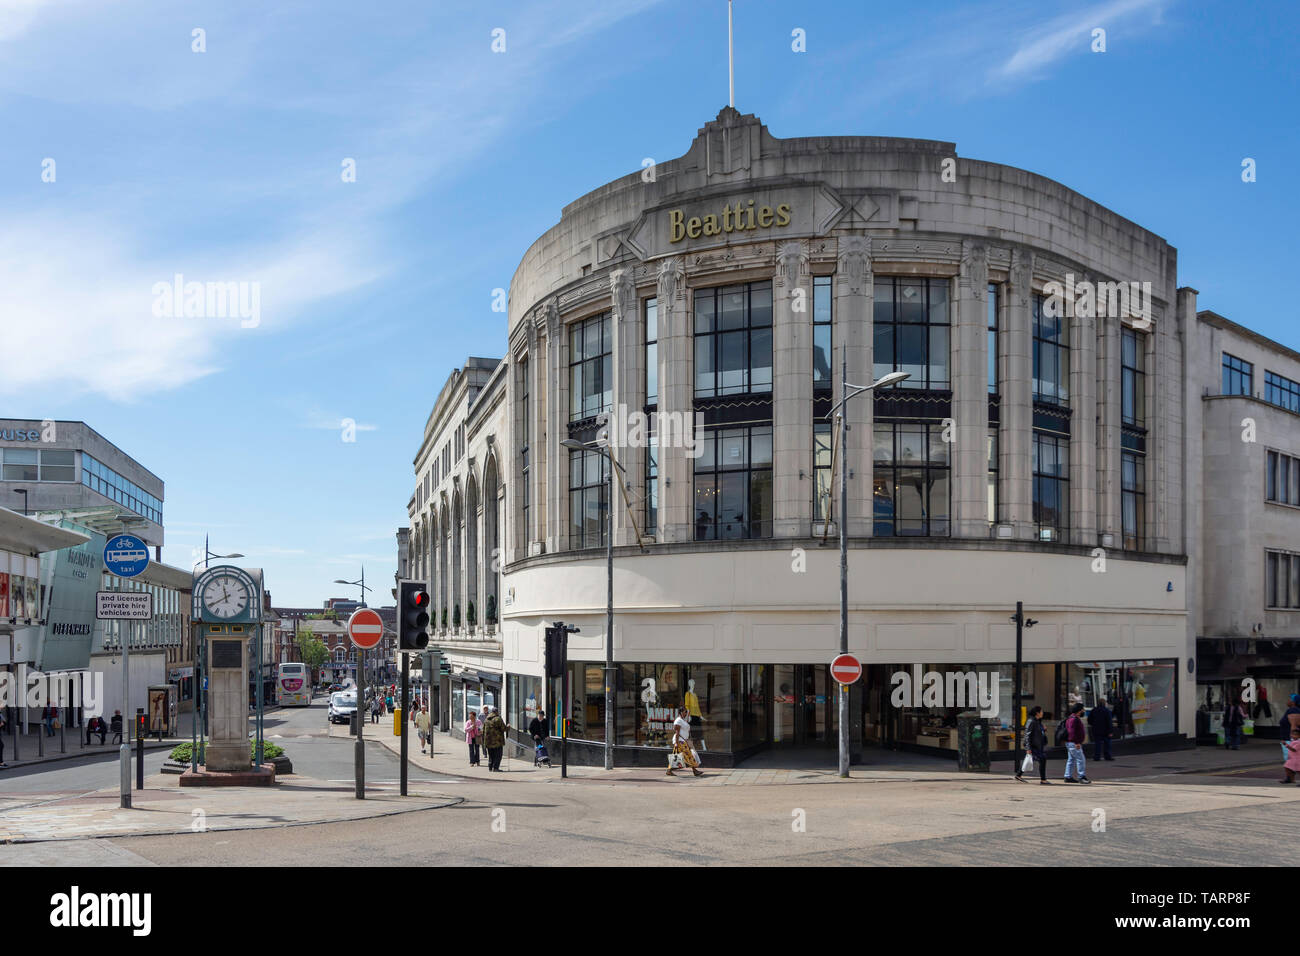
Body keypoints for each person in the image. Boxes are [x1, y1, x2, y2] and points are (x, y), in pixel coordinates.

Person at [667, 705, 702, 777]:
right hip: (679, 741)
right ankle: (695, 771)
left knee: (676, 757)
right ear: (681, 712)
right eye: (685, 711)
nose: (686, 713)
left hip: (683, 741)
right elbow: (677, 733)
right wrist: (676, 743)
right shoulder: (678, 720)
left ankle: (669, 771)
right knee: (689, 755)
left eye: (686, 711)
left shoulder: (683, 720)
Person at [1016, 705, 1049, 784]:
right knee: (1042, 759)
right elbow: (1027, 735)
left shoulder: (1037, 721)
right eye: (1041, 711)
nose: (1042, 713)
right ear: (1037, 713)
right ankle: (1043, 780)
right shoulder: (1031, 721)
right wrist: (1028, 748)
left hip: (1037, 745)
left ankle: (1018, 775)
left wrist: (1043, 730)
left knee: (1030, 760)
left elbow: (1038, 733)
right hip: (1033, 746)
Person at [1063, 702, 1091, 784]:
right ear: (1079, 710)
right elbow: (1072, 732)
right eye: (1083, 709)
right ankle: (1081, 776)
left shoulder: (1072, 718)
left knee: (1071, 759)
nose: (1084, 711)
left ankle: (1068, 776)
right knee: (1081, 759)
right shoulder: (1073, 719)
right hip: (1074, 743)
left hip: (1071, 743)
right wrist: (1076, 742)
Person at [482, 707, 508, 771]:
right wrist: (508, 727)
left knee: (491, 755)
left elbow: (483, 730)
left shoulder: (486, 719)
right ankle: (496, 768)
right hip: (497, 741)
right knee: (498, 755)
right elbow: (504, 729)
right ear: (496, 712)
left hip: (488, 741)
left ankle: (490, 767)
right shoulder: (498, 719)